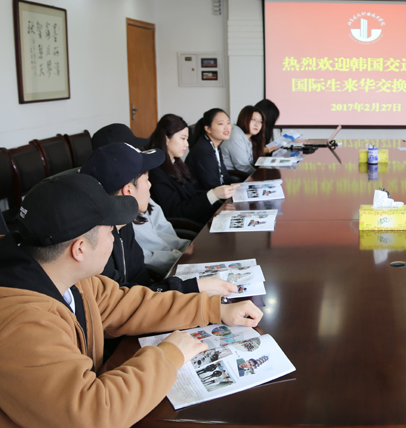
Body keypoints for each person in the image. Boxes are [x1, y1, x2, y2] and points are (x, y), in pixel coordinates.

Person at [0, 172, 263, 427]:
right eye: (109, 232)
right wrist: (169, 355)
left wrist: (212, 309)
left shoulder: (69, 276)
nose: (115, 238)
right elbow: (93, 414)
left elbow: (129, 305)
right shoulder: (22, 324)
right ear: (80, 249)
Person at [81, 142, 235, 295]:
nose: (150, 185)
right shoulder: (98, 245)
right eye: (146, 180)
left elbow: (141, 283)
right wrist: (191, 287)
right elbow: (123, 300)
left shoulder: (124, 226)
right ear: (128, 191)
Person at [146, 114, 237, 225]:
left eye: (187, 139)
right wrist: (213, 195)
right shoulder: (156, 172)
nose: (186, 144)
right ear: (166, 139)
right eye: (183, 139)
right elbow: (175, 212)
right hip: (191, 225)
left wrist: (215, 206)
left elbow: (191, 197)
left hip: (200, 216)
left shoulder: (177, 163)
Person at [186, 108, 234, 191]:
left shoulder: (215, 145)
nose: (227, 127)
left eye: (228, 123)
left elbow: (224, 176)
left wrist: (240, 186)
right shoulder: (203, 150)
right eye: (221, 124)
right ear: (208, 129)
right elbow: (211, 184)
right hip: (206, 196)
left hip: (219, 191)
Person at [220, 106, 270, 173]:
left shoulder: (247, 136)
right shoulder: (236, 137)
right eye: (253, 119)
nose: (257, 124)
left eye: (260, 121)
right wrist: (263, 175)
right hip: (232, 177)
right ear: (244, 119)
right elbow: (243, 168)